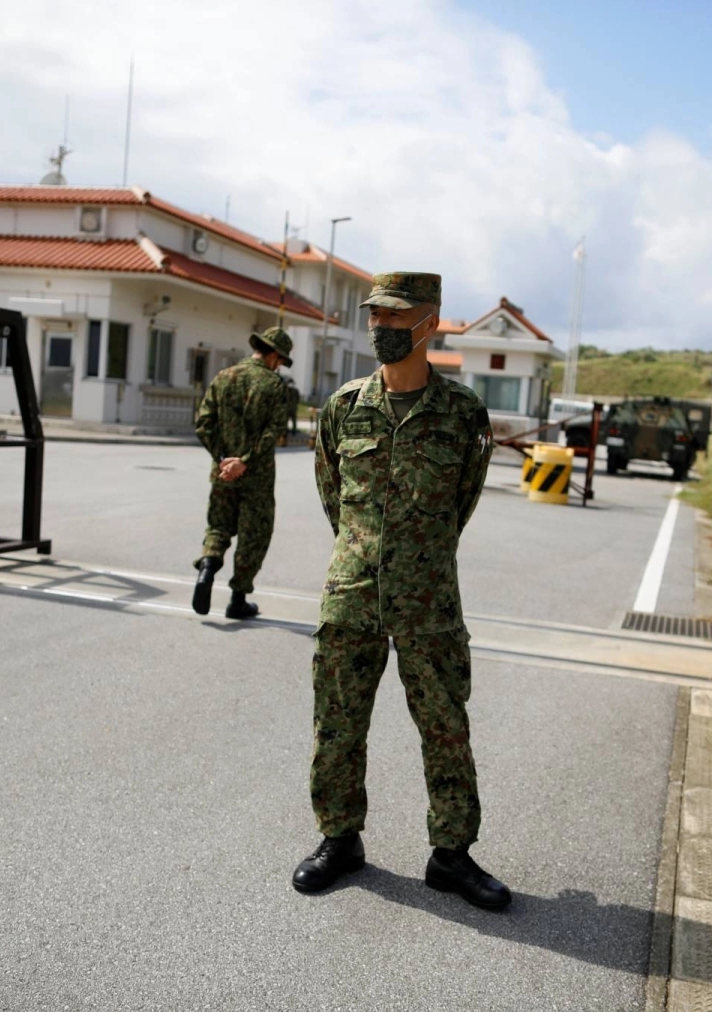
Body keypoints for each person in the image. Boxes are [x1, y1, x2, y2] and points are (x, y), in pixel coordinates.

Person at [292, 272, 511, 911]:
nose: (382, 329)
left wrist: (418, 556)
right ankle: (339, 839)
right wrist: (367, 550)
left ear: (430, 322)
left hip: (429, 597)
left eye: (396, 317)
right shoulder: (343, 407)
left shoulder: (463, 413)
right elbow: (334, 496)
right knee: (337, 722)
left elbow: (460, 504)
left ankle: (452, 855)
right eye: (375, 317)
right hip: (352, 591)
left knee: (445, 725)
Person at [191, 327, 294, 620]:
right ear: (274, 355)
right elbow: (274, 432)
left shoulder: (223, 377)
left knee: (218, 527)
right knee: (254, 535)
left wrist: (224, 460)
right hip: (257, 477)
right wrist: (245, 461)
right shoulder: (274, 386)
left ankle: (208, 568)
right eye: (281, 361)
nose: (280, 366)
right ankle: (237, 600)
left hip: (223, 474)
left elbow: (204, 424)